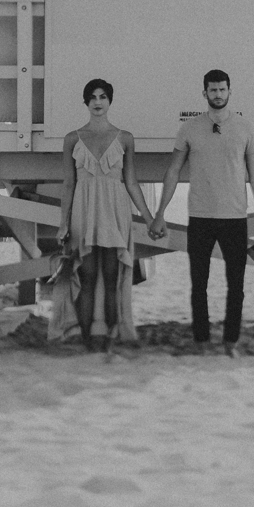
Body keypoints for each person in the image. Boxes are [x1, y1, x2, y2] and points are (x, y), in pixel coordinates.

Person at [152, 67, 254, 355]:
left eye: (222, 89)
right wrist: (160, 213)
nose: (218, 94)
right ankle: (202, 342)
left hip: (234, 217)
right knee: (199, 285)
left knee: (236, 286)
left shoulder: (246, 128)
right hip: (201, 216)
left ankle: (230, 342)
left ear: (230, 91)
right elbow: (173, 171)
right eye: (213, 90)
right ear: (204, 93)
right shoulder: (189, 128)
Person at [57, 78, 157, 356]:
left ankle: (111, 337)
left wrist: (149, 219)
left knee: (113, 275)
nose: (97, 102)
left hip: (115, 210)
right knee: (86, 275)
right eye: (92, 97)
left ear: (110, 101)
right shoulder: (71, 139)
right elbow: (68, 184)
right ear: (86, 102)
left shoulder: (125, 138)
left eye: (102, 97)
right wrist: (63, 223)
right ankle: (90, 340)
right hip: (84, 210)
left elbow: (132, 182)